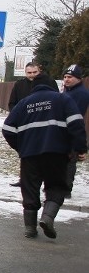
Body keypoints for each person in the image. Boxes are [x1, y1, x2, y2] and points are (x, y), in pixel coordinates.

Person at [2, 82, 87, 239]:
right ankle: (47, 218)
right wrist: (80, 148)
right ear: (53, 88)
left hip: (29, 154)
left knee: (30, 188)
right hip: (57, 152)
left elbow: (7, 129)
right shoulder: (63, 100)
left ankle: (30, 228)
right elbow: (76, 124)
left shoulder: (24, 103)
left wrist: (21, 147)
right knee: (56, 186)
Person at [6, 61, 58, 186]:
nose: (32, 75)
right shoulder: (19, 85)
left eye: (35, 72)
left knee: (46, 152)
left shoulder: (50, 83)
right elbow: (12, 103)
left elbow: (57, 101)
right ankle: (24, 179)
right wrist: (17, 117)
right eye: (29, 73)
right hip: (25, 126)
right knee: (26, 153)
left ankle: (47, 179)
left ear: (39, 71)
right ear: (25, 73)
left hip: (45, 125)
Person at [61, 64, 89, 199]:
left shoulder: (81, 93)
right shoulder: (68, 90)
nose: (66, 79)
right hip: (62, 131)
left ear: (78, 78)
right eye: (65, 77)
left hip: (71, 132)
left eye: (70, 77)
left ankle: (66, 189)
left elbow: (75, 116)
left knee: (70, 160)